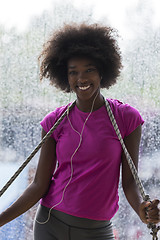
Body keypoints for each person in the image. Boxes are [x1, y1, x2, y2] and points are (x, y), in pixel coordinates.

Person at [0, 23, 159, 240]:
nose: (81, 78)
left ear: (102, 70)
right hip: (49, 224)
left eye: (89, 70)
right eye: (73, 72)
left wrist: (142, 208)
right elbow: (38, 185)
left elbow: (129, 181)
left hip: (97, 231)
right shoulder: (54, 122)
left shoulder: (126, 118)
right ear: (65, 77)